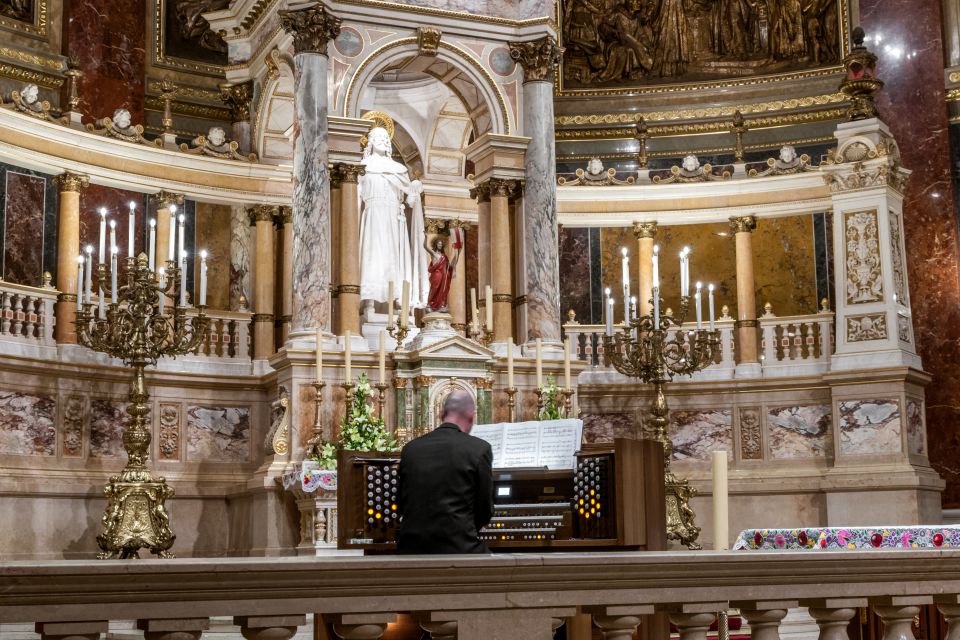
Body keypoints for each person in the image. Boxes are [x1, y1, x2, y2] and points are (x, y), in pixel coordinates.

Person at [396, 390, 494, 554]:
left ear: (441, 414)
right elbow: (484, 511)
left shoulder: (410, 449)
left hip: (411, 547)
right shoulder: (479, 449)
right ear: (471, 416)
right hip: (460, 547)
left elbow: (400, 505)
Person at [358, 127, 430, 309]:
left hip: (394, 219)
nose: (382, 140)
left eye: (385, 137)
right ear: (370, 142)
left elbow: (411, 201)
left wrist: (414, 190)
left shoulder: (398, 169)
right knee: (373, 257)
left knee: (394, 259)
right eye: (378, 137)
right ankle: (369, 303)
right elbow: (355, 196)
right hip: (373, 216)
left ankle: (398, 304)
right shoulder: (363, 167)